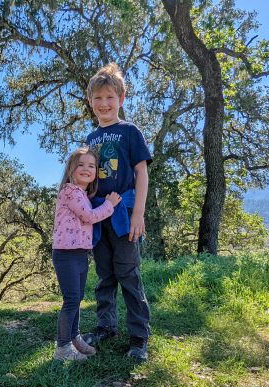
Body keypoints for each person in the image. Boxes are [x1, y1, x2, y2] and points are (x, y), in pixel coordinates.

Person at [83, 63, 153, 361]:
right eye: (97, 98)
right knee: (105, 275)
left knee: (128, 273)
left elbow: (141, 173)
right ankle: (105, 326)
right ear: (90, 102)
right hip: (99, 217)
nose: (104, 104)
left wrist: (139, 213)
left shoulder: (129, 132)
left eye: (110, 97)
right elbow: (86, 179)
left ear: (121, 99)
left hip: (125, 215)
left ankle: (139, 337)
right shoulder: (90, 139)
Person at [52, 147, 122, 361]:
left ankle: (74, 337)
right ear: (71, 170)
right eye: (80, 165)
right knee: (71, 299)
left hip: (80, 253)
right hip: (66, 253)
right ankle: (62, 348)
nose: (86, 169)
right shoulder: (70, 191)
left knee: (78, 298)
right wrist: (110, 204)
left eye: (91, 166)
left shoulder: (82, 194)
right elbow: (89, 216)